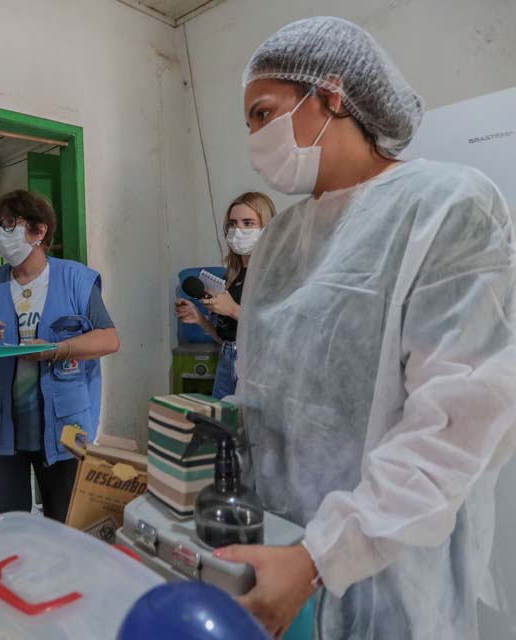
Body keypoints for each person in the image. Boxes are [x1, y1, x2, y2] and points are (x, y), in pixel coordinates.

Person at [209, 17, 516, 639]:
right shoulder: (282, 242)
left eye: (262, 113)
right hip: (279, 547)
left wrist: (323, 556)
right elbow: (260, 391)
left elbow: (461, 420)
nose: (254, 137)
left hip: (390, 566)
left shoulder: (448, 206)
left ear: (331, 94)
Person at [0, 190, 119, 522]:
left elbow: (109, 338)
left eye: (10, 224)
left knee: (64, 520)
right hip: (4, 427)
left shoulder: (76, 279)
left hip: (63, 425)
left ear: (39, 231)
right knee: (12, 522)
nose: (0, 236)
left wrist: (61, 349)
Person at [175, 192, 275, 399]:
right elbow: (226, 338)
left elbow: (278, 329)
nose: (238, 230)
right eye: (232, 224)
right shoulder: (233, 274)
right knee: (222, 426)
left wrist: (233, 310)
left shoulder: (275, 273)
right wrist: (199, 318)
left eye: (248, 223)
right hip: (228, 359)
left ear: (267, 227)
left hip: (259, 364)